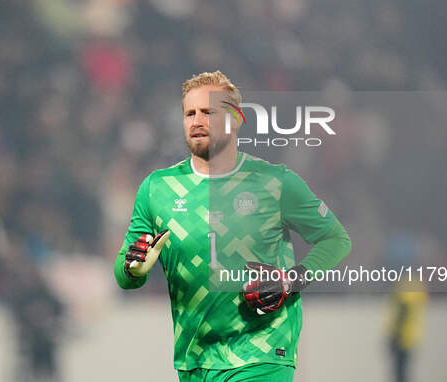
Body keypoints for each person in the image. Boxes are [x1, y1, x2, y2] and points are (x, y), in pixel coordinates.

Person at [114, 70, 352, 381]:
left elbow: (336, 239)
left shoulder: (274, 182)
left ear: (235, 119)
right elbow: (124, 273)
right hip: (195, 359)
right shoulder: (157, 189)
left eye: (208, 112)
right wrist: (134, 268)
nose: (197, 121)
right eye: (189, 113)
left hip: (263, 351)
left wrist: (291, 280)